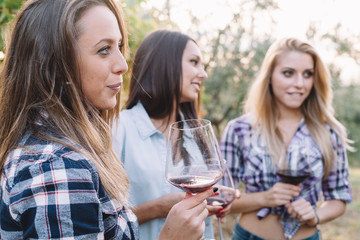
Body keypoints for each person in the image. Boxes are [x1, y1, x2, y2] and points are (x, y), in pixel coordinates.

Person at [0, 0, 218, 239]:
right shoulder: (58, 166)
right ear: (57, 64)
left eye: (120, 47)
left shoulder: (68, 150)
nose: (123, 65)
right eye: (104, 49)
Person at [220, 38, 353, 240]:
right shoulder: (240, 129)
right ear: (270, 76)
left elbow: (339, 198)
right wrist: (265, 198)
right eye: (288, 73)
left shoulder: (329, 133)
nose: (299, 83)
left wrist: (315, 215)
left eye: (308, 74)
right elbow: (220, 198)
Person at [112, 29, 226, 240]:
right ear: (163, 64)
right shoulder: (119, 128)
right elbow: (103, 221)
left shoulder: (196, 134)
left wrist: (211, 202)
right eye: (194, 62)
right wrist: (158, 208)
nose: (204, 73)